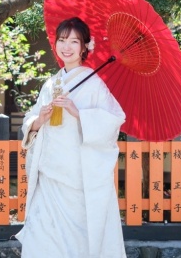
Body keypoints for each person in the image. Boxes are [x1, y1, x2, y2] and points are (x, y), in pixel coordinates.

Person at [16, 17, 126, 258]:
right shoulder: (50, 84)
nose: (67, 46)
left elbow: (115, 119)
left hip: (79, 178)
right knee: (42, 238)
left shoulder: (94, 84)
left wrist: (79, 113)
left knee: (76, 243)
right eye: (62, 40)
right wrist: (40, 120)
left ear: (85, 47)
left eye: (74, 41)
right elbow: (30, 123)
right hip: (48, 176)